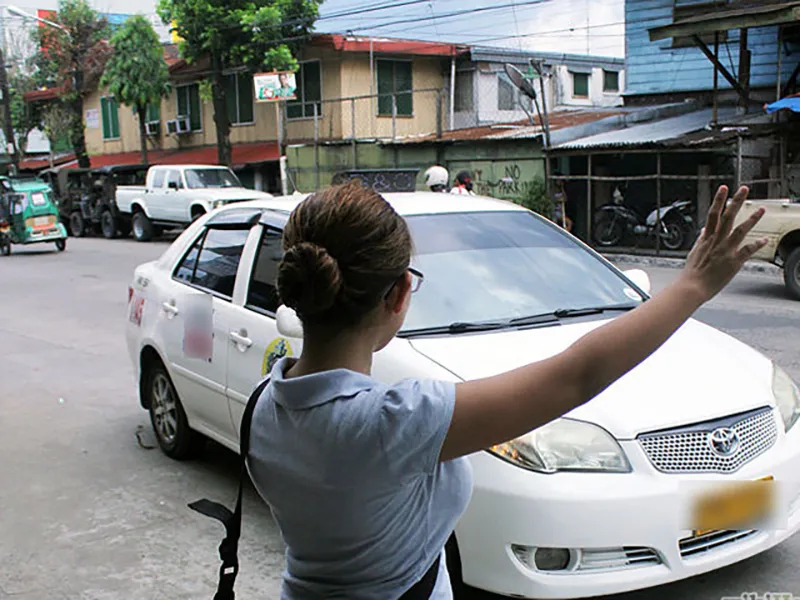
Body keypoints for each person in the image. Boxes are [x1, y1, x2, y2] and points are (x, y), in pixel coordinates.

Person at [246, 181, 765, 599]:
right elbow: (578, 374)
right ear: (401, 292)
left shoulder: (262, 408)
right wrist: (693, 285)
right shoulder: (394, 422)